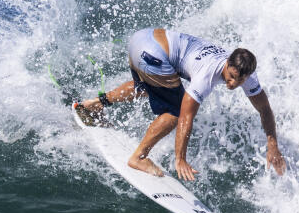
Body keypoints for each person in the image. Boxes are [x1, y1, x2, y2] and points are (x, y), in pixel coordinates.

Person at [76, 27, 286, 181]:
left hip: (142, 39)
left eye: (240, 80)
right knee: (174, 111)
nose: (233, 83)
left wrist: (273, 145)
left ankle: (96, 103)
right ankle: (139, 157)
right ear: (227, 63)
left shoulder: (246, 75)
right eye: (231, 76)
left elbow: (264, 108)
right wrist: (180, 159)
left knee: (150, 85)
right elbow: (185, 116)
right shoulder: (207, 74)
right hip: (152, 53)